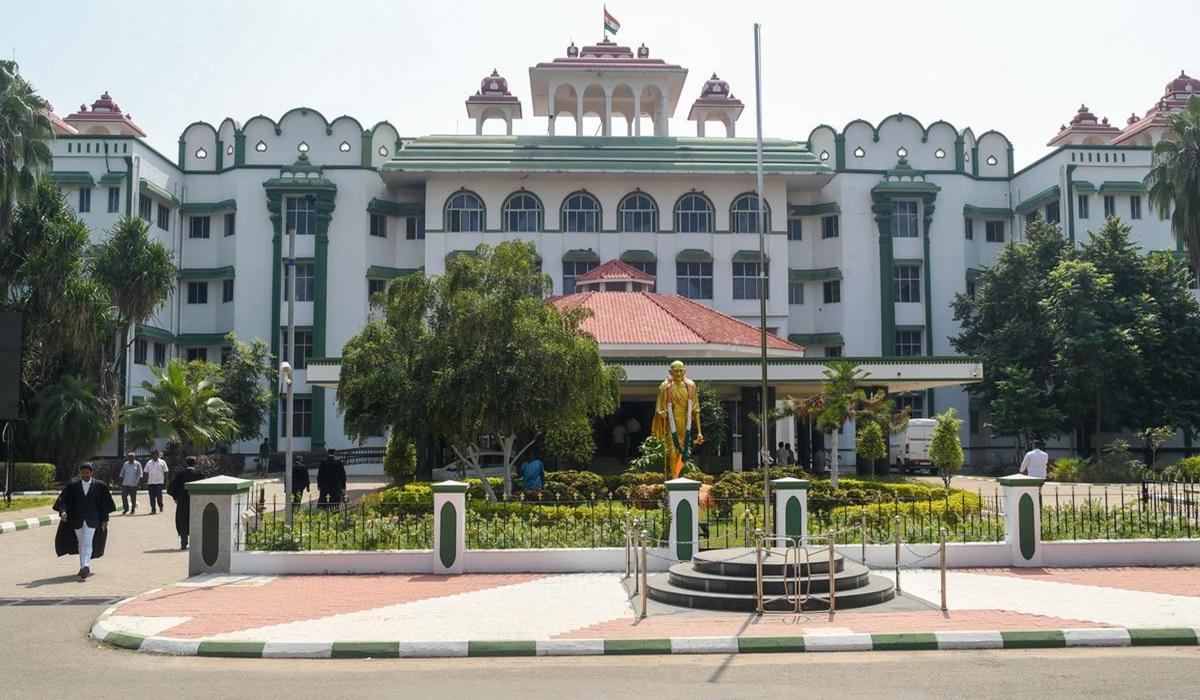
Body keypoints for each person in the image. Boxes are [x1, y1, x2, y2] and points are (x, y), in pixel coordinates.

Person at [53, 463, 116, 580]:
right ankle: (83, 567)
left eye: (87, 473)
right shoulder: (72, 486)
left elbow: (104, 504)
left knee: (87, 541)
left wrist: (105, 518)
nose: (85, 475)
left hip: (93, 519)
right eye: (83, 473)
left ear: (91, 473)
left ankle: (86, 565)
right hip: (77, 519)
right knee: (81, 543)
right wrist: (63, 511)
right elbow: (64, 500)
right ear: (80, 473)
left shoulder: (100, 486)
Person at [651, 361, 704, 478]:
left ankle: (679, 474)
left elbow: (696, 410)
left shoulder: (691, 386)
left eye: (681, 371)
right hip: (672, 421)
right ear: (671, 372)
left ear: (684, 371)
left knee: (683, 451)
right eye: (676, 371)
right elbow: (659, 408)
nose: (679, 374)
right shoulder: (664, 387)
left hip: (686, 423)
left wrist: (699, 432)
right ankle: (674, 477)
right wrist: (662, 413)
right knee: (672, 451)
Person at [167, 457, 205, 549]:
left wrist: (176, 497)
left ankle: (184, 542)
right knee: (196, 520)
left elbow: (171, 488)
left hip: (182, 502)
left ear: (186, 463)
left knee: (183, 521)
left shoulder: (180, 474)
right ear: (195, 463)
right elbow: (204, 487)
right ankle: (196, 544)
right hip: (196, 501)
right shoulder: (199, 474)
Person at [144, 449, 169, 514]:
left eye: (157, 454)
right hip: (150, 483)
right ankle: (153, 509)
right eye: (154, 454)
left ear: (158, 455)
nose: (155, 455)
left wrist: (166, 481)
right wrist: (145, 482)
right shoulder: (148, 463)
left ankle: (160, 506)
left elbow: (166, 472)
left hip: (159, 482)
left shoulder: (162, 462)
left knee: (159, 496)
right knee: (151, 497)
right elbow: (146, 473)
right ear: (152, 455)